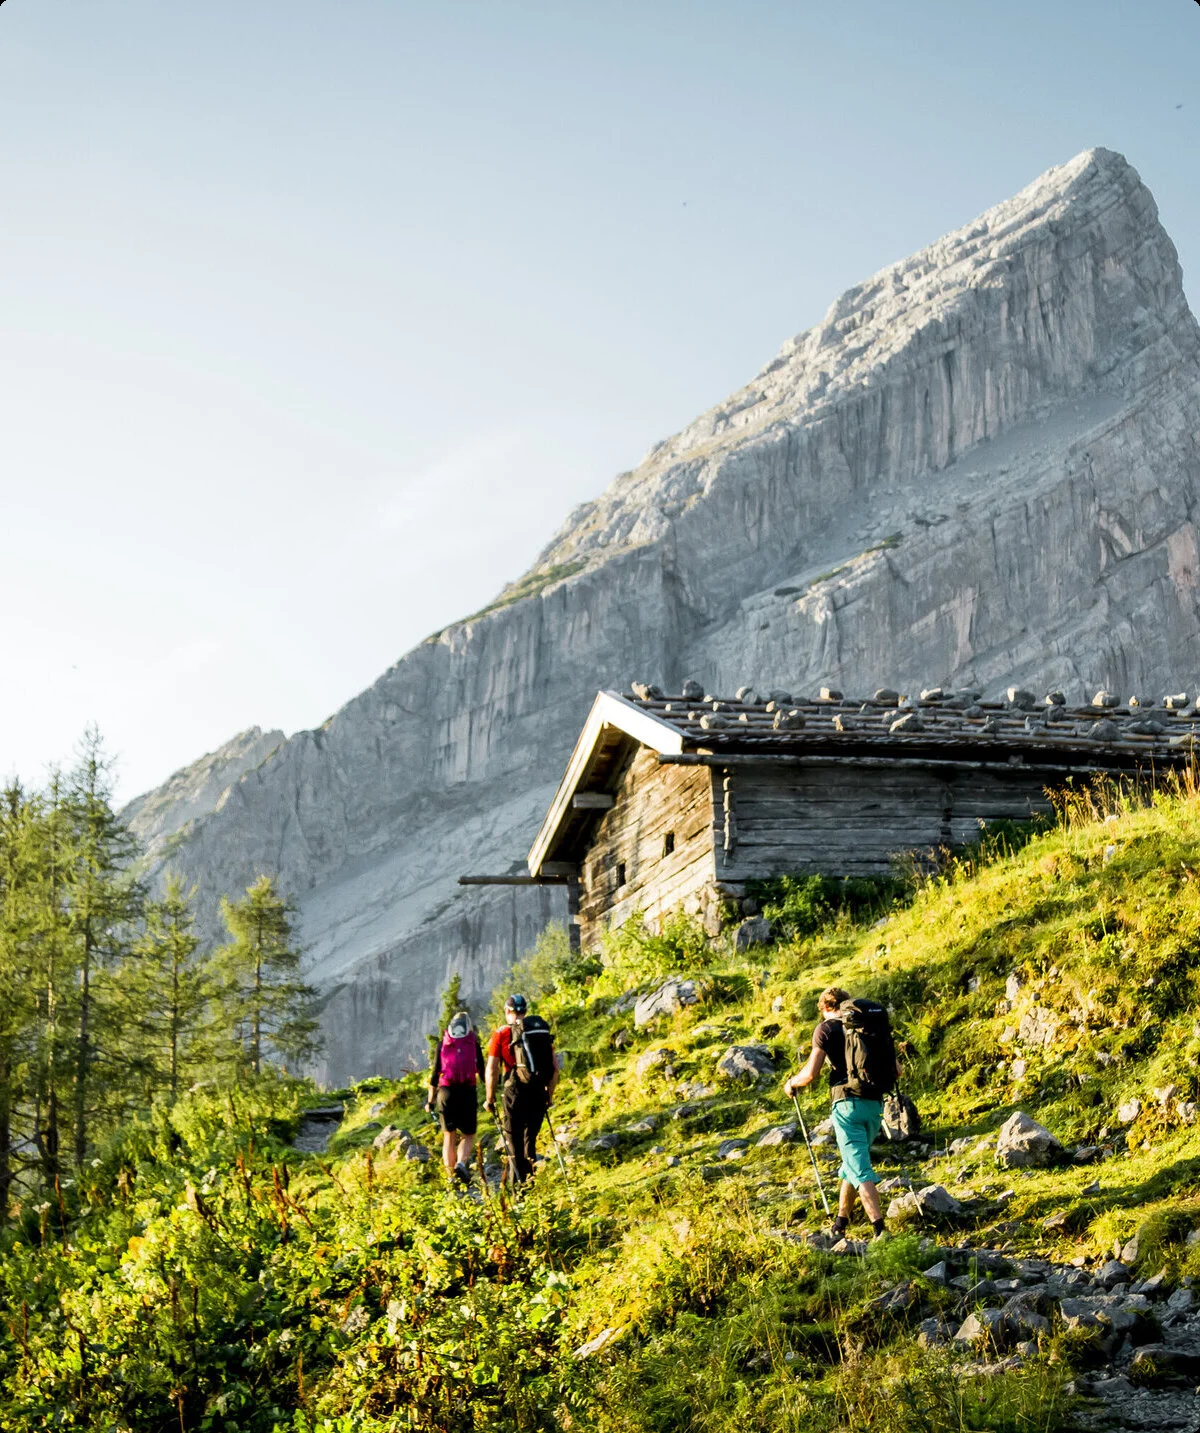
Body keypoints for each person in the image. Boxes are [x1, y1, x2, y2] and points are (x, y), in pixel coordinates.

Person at [784, 985, 898, 1241]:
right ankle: (840, 1223)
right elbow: (897, 1069)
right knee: (851, 1164)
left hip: (846, 1105)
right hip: (874, 1104)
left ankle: (880, 1229)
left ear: (824, 1007)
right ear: (846, 1004)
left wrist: (791, 1083)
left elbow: (811, 1074)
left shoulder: (825, 1029)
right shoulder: (867, 1026)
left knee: (861, 1169)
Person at [485, 993, 558, 1185]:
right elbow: (555, 1069)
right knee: (529, 1141)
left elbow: (492, 1070)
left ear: (507, 1011)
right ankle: (531, 1185)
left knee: (514, 1143)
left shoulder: (501, 1034)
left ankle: (519, 1194)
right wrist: (548, 1096)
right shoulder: (538, 1031)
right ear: (525, 1011)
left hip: (514, 1092)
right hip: (537, 1092)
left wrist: (490, 1098)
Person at [427, 1010, 486, 1184]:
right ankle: (461, 1163)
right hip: (467, 1092)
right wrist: (490, 1090)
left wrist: (430, 1100)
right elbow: (482, 1069)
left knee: (449, 1136)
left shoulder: (442, 1044)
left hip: (446, 1093)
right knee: (469, 1134)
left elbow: (434, 1074)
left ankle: (450, 1178)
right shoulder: (473, 1043)